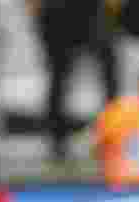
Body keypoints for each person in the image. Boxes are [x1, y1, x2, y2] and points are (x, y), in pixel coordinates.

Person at [27, 0, 119, 162]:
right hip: (56, 11)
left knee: (109, 72)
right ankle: (57, 142)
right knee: (59, 77)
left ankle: (113, 135)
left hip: (91, 10)